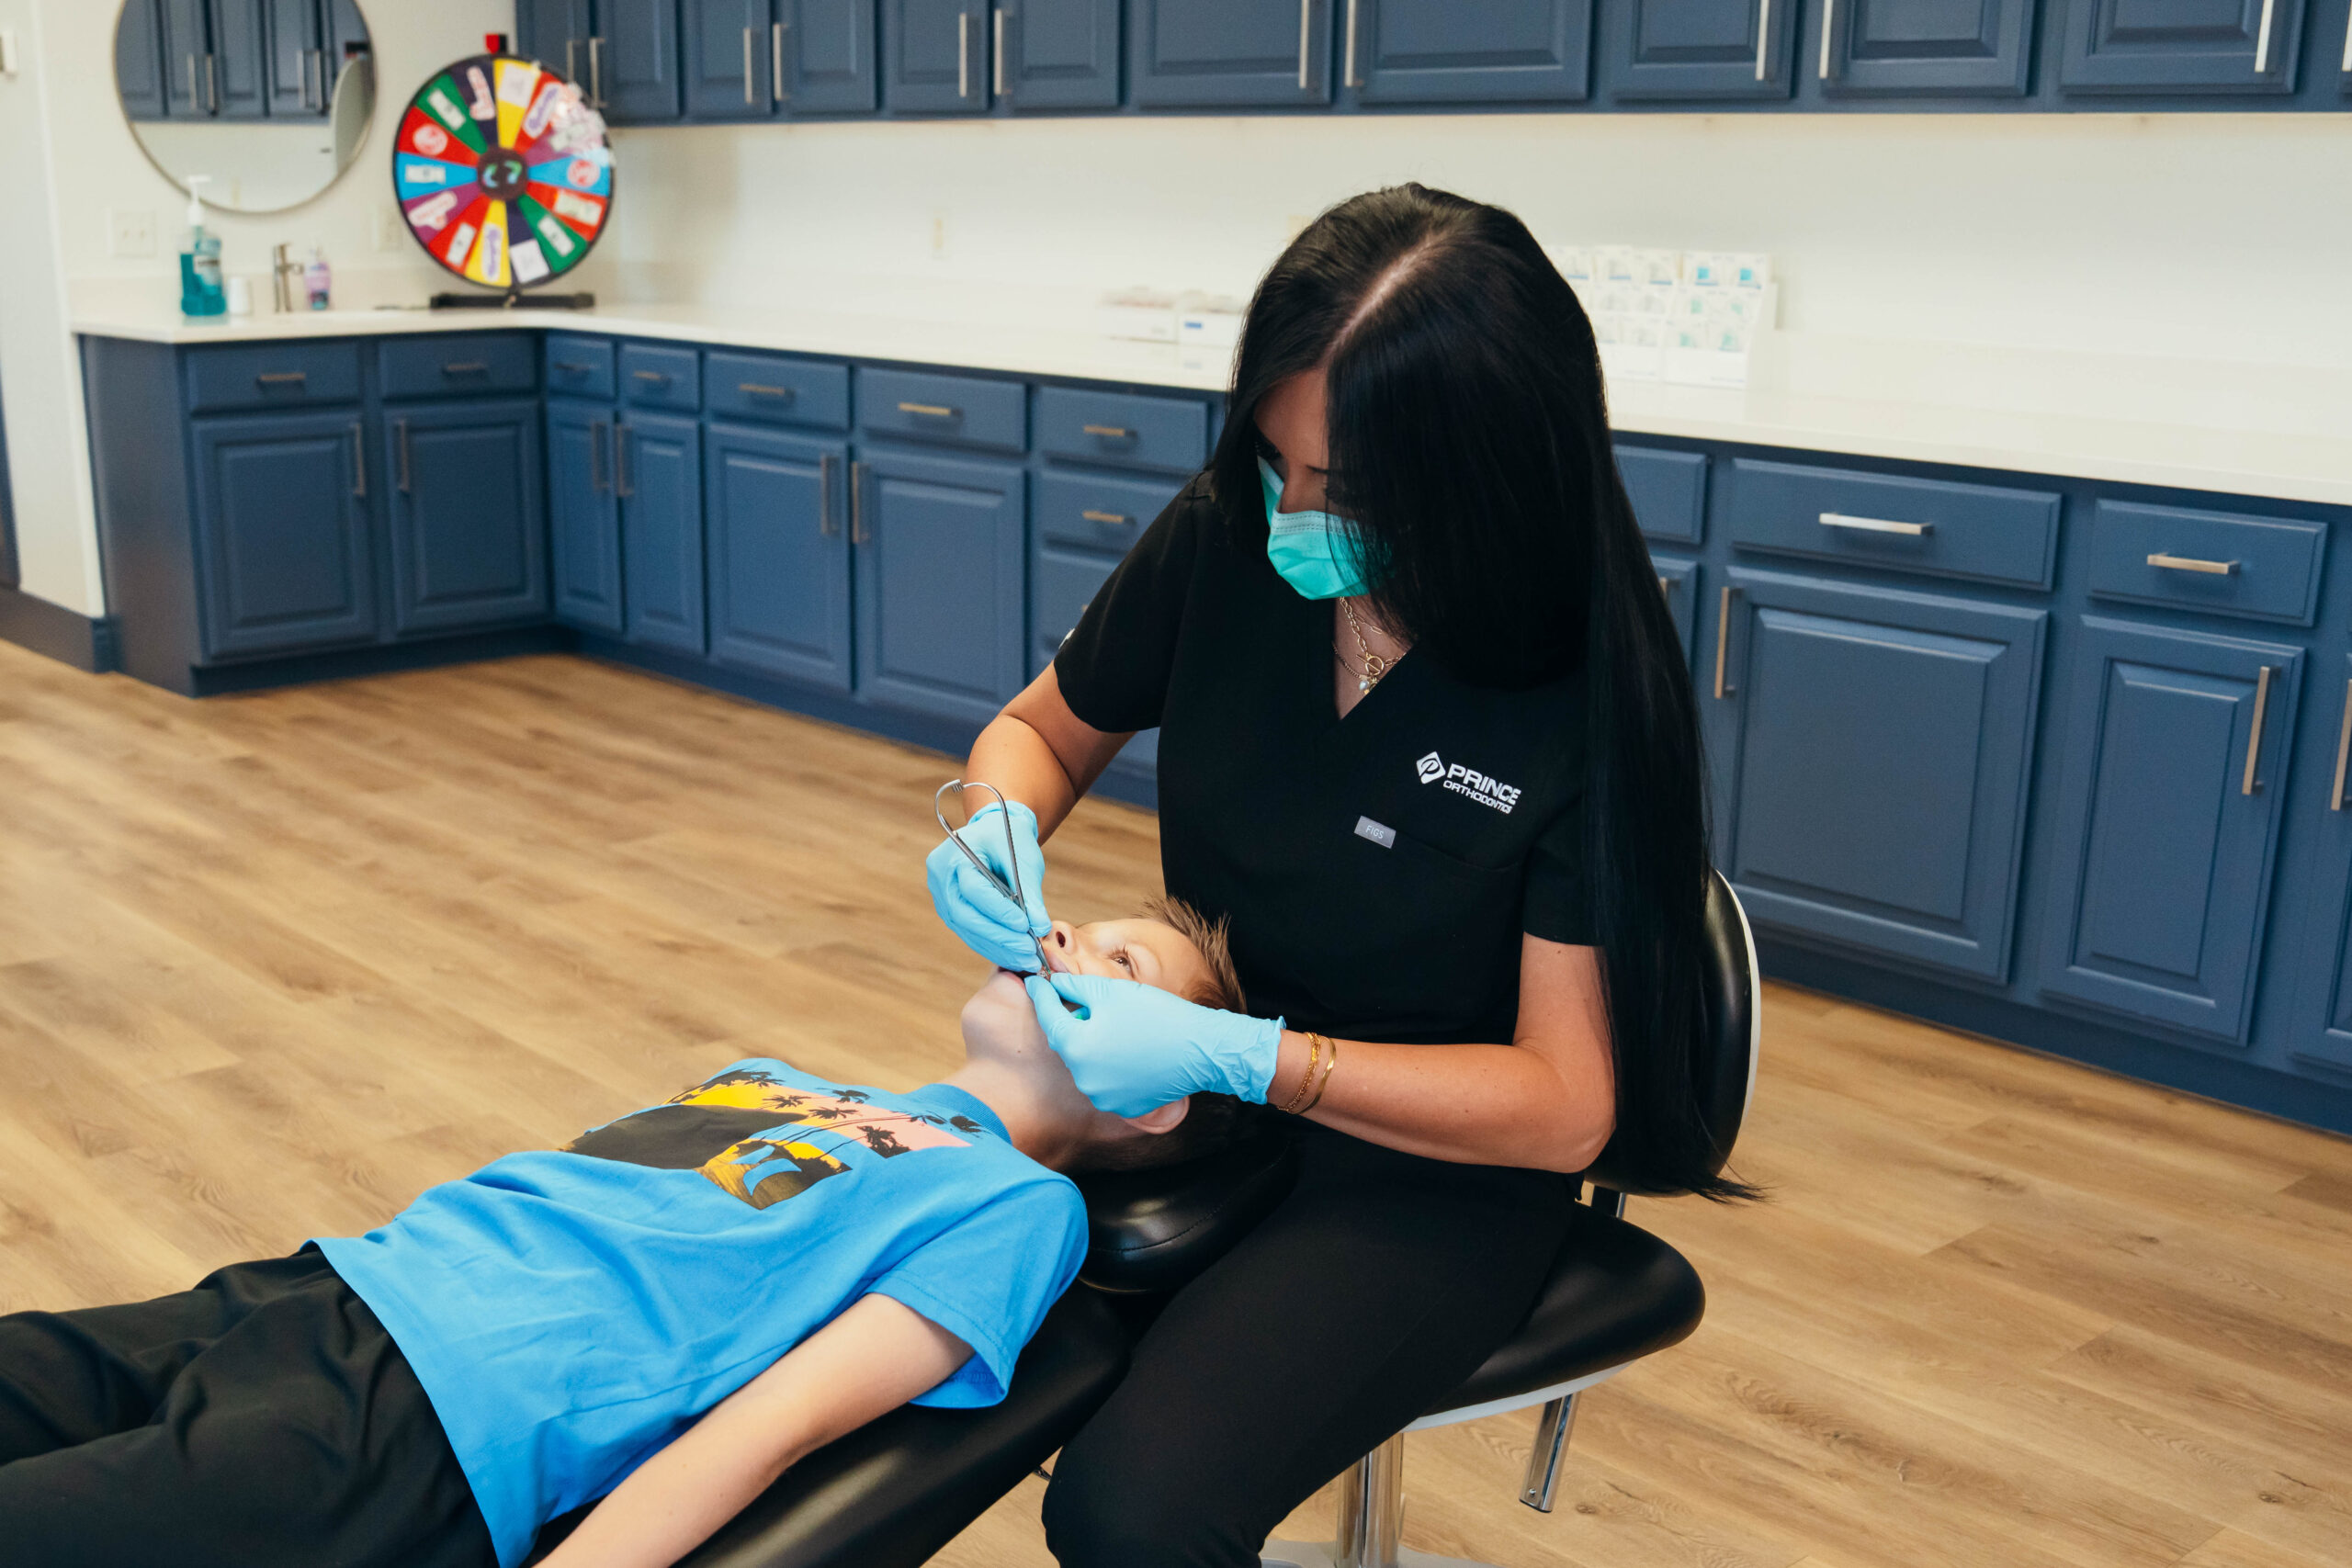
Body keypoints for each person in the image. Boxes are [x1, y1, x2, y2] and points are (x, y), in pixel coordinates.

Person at [926, 184, 1755, 1567]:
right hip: (1182, 1100)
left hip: (1431, 1167)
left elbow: (1564, 1106)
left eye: (1349, 488)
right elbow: (1044, 732)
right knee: (891, 1326)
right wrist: (990, 824)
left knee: (1134, 1510)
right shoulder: (1227, 536)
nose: (1294, 515)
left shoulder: (1583, 694)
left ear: (1489, 478)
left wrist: (1263, 1060)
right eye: (1277, 460)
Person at [0, 902, 1250, 1568]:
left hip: (428, 1423)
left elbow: (777, 1423)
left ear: (1153, 1100)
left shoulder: (1016, 1207)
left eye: (1120, 960)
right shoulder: (788, 1077)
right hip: (325, 1290)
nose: (1060, 935)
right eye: (1080, 920)